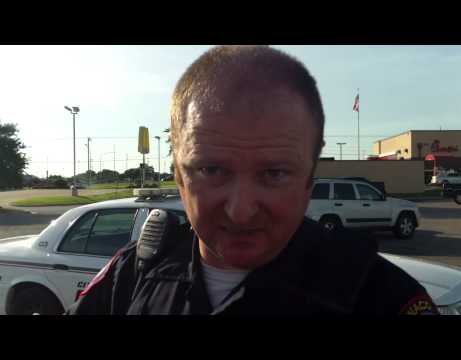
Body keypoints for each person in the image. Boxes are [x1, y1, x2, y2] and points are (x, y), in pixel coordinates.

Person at [66, 45, 438, 316]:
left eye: (274, 173)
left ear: (310, 179)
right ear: (179, 177)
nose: (241, 211)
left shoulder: (380, 297)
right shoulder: (130, 276)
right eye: (212, 170)